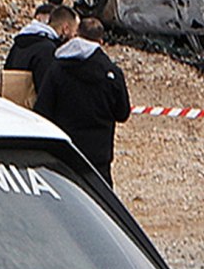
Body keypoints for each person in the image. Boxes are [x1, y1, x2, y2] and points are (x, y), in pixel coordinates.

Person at [34, 17, 131, 186]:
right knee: (99, 199)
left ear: (77, 34)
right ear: (100, 41)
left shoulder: (57, 67)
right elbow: (122, 113)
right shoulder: (111, 72)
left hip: (65, 151)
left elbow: (42, 110)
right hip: (98, 155)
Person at [1, 4, 76, 108]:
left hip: (9, 106)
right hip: (29, 111)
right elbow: (46, 90)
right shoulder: (47, 50)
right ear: (66, 28)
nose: (73, 38)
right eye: (74, 33)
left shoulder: (20, 41)